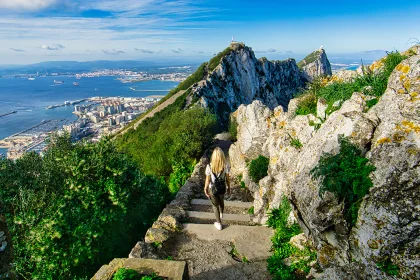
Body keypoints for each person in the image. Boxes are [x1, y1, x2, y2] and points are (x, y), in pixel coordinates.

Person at [204, 147, 231, 230]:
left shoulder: (209, 166)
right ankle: (222, 212)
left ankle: (219, 224)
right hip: (222, 188)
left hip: (212, 189)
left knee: (215, 206)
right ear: (222, 156)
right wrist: (229, 187)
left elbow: (208, 179)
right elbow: (227, 178)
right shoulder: (225, 166)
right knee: (221, 201)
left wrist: (205, 188)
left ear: (214, 156)